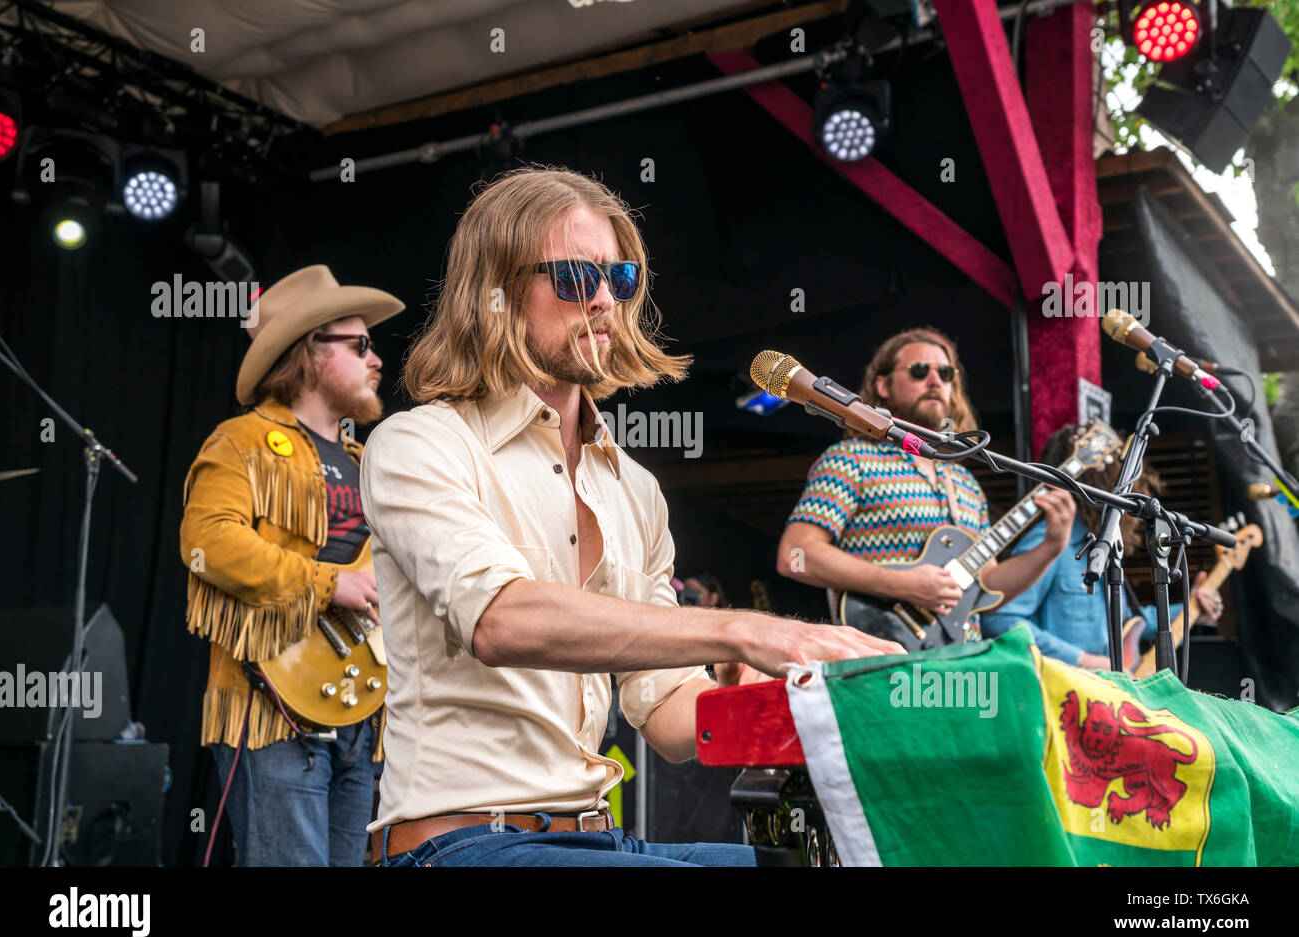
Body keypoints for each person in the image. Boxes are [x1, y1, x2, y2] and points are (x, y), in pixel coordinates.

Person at [360, 166, 904, 867]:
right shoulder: (417, 443)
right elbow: (501, 620)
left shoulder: (636, 489)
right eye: (573, 278)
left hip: (596, 836)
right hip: (458, 843)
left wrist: (801, 696)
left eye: (617, 280)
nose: (603, 302)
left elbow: (670, 714)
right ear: (492, 291)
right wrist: (745, 628)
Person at [179, 265, 403, 866]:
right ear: (310, 353)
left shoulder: (371, 462)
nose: (375, 359)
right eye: (359, 345)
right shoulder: (242, 441)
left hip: (363, 710)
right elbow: (207, 542)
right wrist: (330, 582)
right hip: (273, 707)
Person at [777, 327, 1076, 639]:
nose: (936, 381)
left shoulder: (965, 484)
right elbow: (795, 555)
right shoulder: (850, 459)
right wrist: (901, 584)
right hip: (878, 655)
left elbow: (987, 590)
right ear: (883, 385)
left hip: (959, 669)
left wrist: (1051, 546)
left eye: (946, 373)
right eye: (919, 371)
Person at [981, 423, 1222, 670]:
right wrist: (1083, 661)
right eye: (1119, 469)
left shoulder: (1104, 543)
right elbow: (1000, 620)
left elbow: (1129, 624)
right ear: (1099, 476)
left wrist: (1192, 608)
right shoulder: (1047, 539)